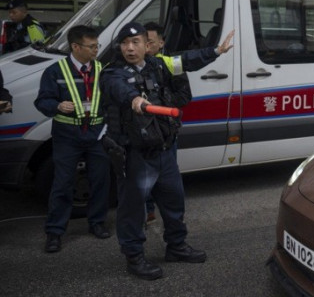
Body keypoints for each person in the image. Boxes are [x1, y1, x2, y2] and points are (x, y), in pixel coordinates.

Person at [100, 22, 206, 280]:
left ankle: (177, 246)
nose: (130, 48)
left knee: (173, 201)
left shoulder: (157, 65)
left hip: (164, 149)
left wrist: (216, 52)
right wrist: (134, 99)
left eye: (135, 42)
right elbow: (119, 89)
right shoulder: (112, 73)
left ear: (147, 46)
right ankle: (134, 256)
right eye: (125, 43)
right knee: (133, 208)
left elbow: (186, 61)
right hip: (135, 153)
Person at [141, 22, 234, 224]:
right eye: (142, 42)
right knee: (141, 177)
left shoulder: (168, 63)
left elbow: (185, 91)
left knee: (168, 181)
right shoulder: (129, 67)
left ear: (160, 42)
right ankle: (146, 211)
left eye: (150, 42)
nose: (145, 47)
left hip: (165, 130)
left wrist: (161, 105)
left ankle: (173, 227)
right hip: (142, 132)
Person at [34, 25, 111, 253]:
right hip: (67, 137)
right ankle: (55, 232)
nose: (96, 50)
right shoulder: (55, 72)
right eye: (92, 46)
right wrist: (57, 105)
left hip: (97, 135)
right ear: (76, 47)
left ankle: (97, 223)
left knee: (100, 181)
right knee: (63, 184)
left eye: (97, 45)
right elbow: (42, 102)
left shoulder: (102, 69)